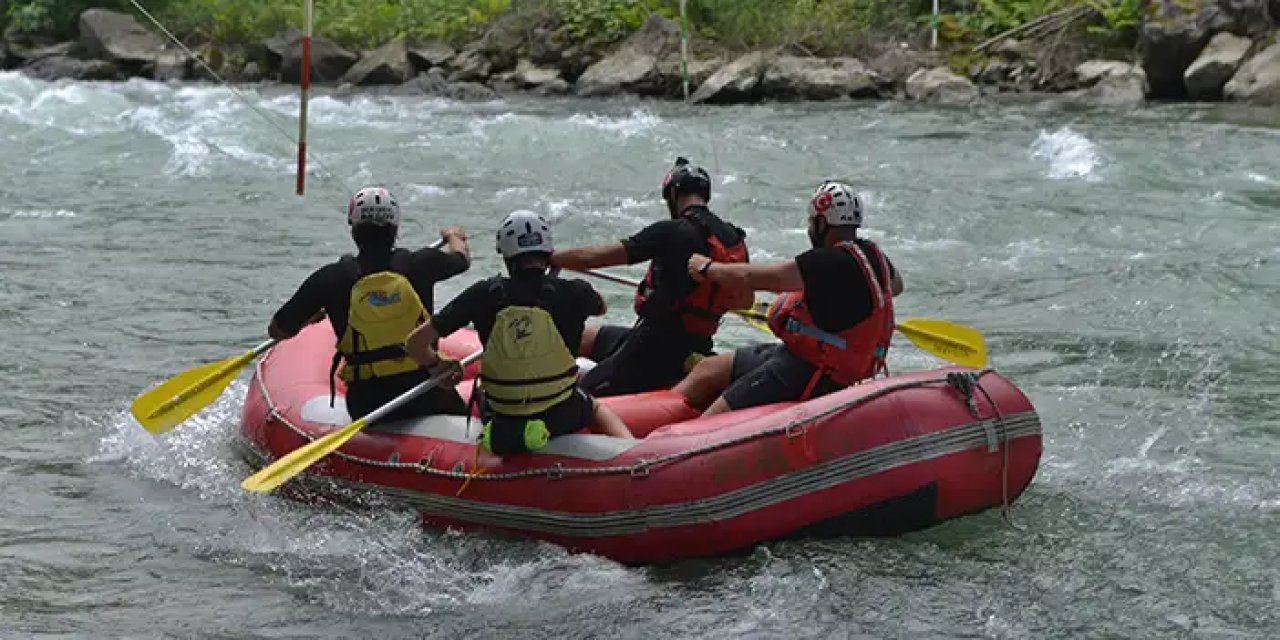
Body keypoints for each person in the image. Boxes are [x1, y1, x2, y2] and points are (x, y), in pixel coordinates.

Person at [405, 210, 632, 456]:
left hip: (503, 417)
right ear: (548, 253)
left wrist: (437, 365)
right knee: (595, 408)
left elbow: (415, 343)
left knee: (481, 393)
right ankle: (635, 455)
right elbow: (601, 308)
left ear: (506, 255)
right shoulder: (575, 292)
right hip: (560, 413)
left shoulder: (481, 294)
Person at [672, 180, 905, 416]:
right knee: (709, 369)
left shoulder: (826, 262)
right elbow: (895, 286)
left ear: (822, 222)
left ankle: (677, 443)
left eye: (811, 221)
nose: (809, 228)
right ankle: (656, 412)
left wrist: (708, 268)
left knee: (715, 415)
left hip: (811, 371)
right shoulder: (875, 257)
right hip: (801, 355)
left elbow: (762, 278)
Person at [550, 157, 752, 397]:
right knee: (591, 336)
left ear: (673, 195)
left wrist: (553, 258)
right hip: (696, 344)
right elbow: (744, 301)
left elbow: (596, 257)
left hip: (653, 350)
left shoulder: (671, 231)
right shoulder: (734, 240)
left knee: (582, 394)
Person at [267, 186, 472, 421]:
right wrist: (453, 236)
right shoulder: (420, 263)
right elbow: (462, 259)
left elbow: (277, 330)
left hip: (368, 403)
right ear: (394, 227)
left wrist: (307, 319)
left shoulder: (330, 278)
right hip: (425, 394)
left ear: (354, 228)